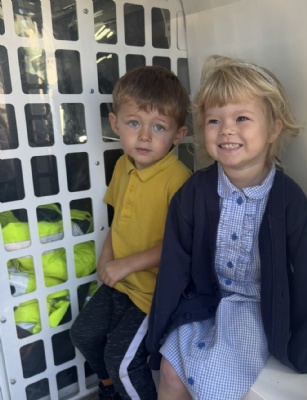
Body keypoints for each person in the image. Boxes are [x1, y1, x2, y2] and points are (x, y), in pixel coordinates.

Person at [146, 55, 307, 400]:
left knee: (215, 381)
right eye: (214, 120)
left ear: (273, 129)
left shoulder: (288, 200)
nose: (226, 129)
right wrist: (162, 326)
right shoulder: (194, 192)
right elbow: (174, 266)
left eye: (241, 118)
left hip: (256, 309)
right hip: (205, 299)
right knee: (170, 370)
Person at [70, 66, 192, 400]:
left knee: (122, 362)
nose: (145, 136)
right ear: (115, 124)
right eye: (134, 123)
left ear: (178, 134)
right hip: (121, 284)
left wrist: (125, 264)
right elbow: (118, 220)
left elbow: (181, 245)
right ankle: (109, 390)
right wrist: (107, 256)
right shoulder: (123, 165)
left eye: (159, 127)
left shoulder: (178, 180)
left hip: (153, 294)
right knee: (83, 334)